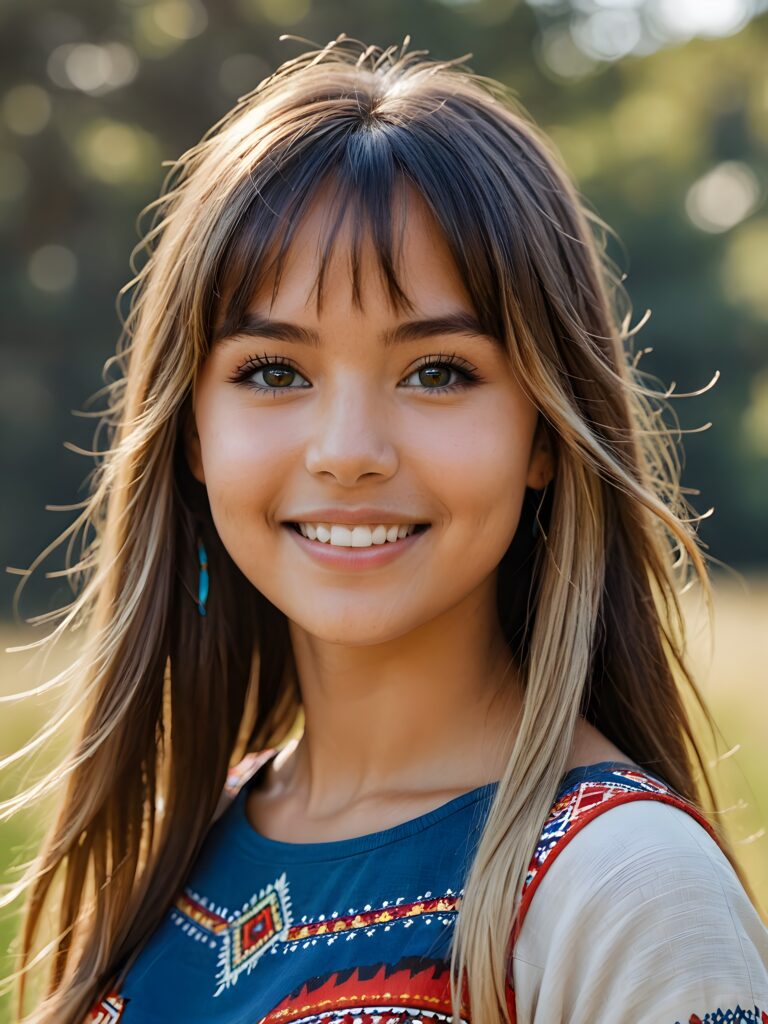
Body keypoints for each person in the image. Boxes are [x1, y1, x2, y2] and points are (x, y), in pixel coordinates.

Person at [4, 33, 767, 1024]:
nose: (347, 450)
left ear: (545, 430)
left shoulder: (627, 889)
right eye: (274, 372)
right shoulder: (165, 854)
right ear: (193, 432)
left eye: (438, 370)